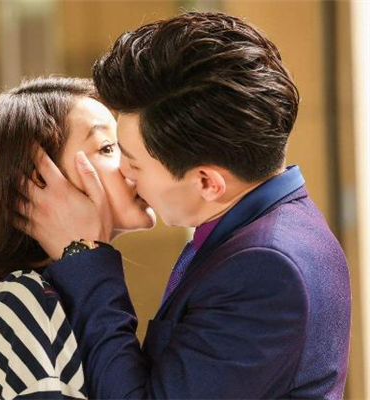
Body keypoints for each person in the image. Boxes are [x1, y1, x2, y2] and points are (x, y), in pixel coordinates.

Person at [19, 12, 351, 399]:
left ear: (207, 182)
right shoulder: (272, 231)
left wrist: (84, 255)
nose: (124, 173)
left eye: (133, 161)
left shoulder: (265, 268)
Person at [0, 77, 156, 400]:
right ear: (37, 182)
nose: (133, 162)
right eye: (108, 147)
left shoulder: (28, 293)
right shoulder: (20, 296)